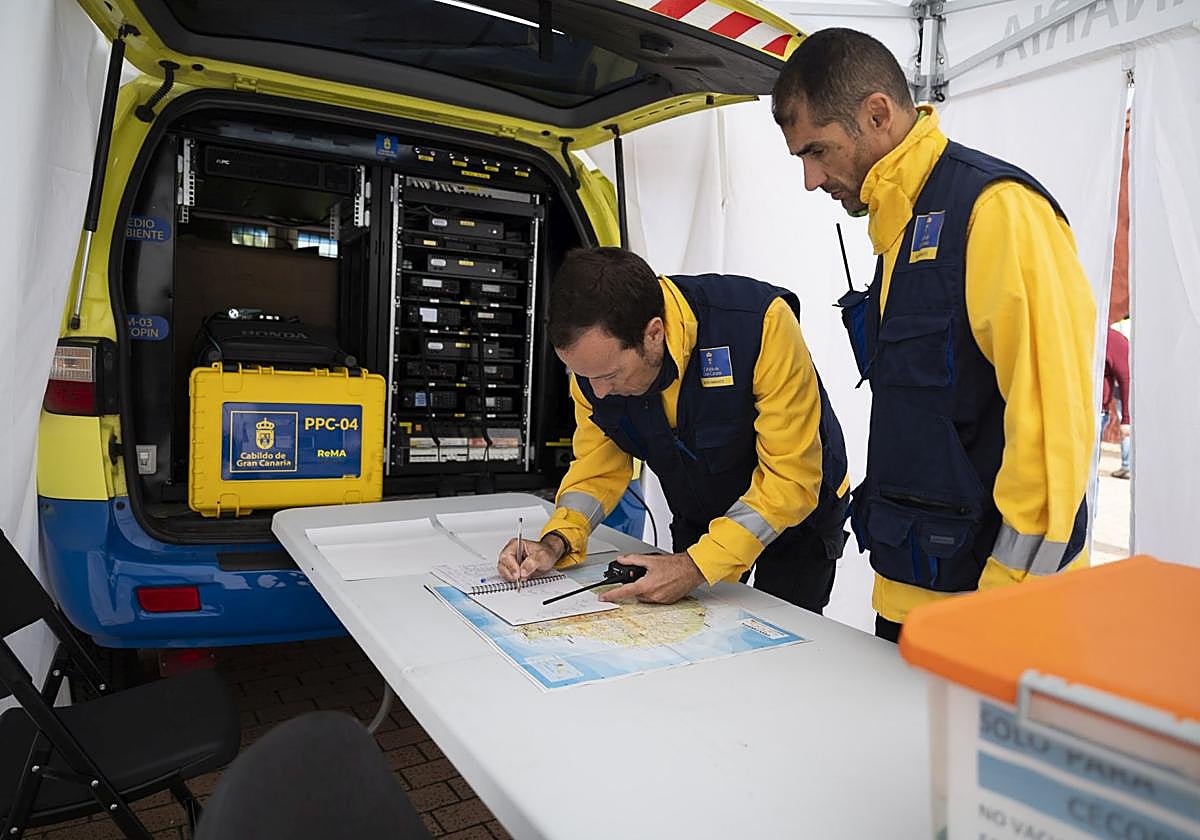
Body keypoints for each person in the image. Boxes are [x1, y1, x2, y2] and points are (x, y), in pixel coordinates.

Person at [771, 29, 1095, 642]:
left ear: (877, 114)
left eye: (818, 151)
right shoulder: (898, 226)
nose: (811, 180)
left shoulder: (997, 211)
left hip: (995, 608)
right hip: (911, 589)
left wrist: (1005, 611)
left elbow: (1053, 434)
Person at [496, 247, 850, 612]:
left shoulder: (760, 324)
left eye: (610, 376)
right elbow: (596, 468)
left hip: (797, 516)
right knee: (698, 632)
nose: (597, 391)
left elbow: (792, 477)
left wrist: (695, 566)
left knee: (786, 641)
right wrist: (556, 541)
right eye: (584, 377)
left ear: (654, 333)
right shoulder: (594, 370)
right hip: (700, 509)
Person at [1101, 324, 1131, 478]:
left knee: (1086, 475)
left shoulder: (1112, 339)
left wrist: (1127, 419)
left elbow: (1126, 378)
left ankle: (1127, 464)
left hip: (1096, 412)